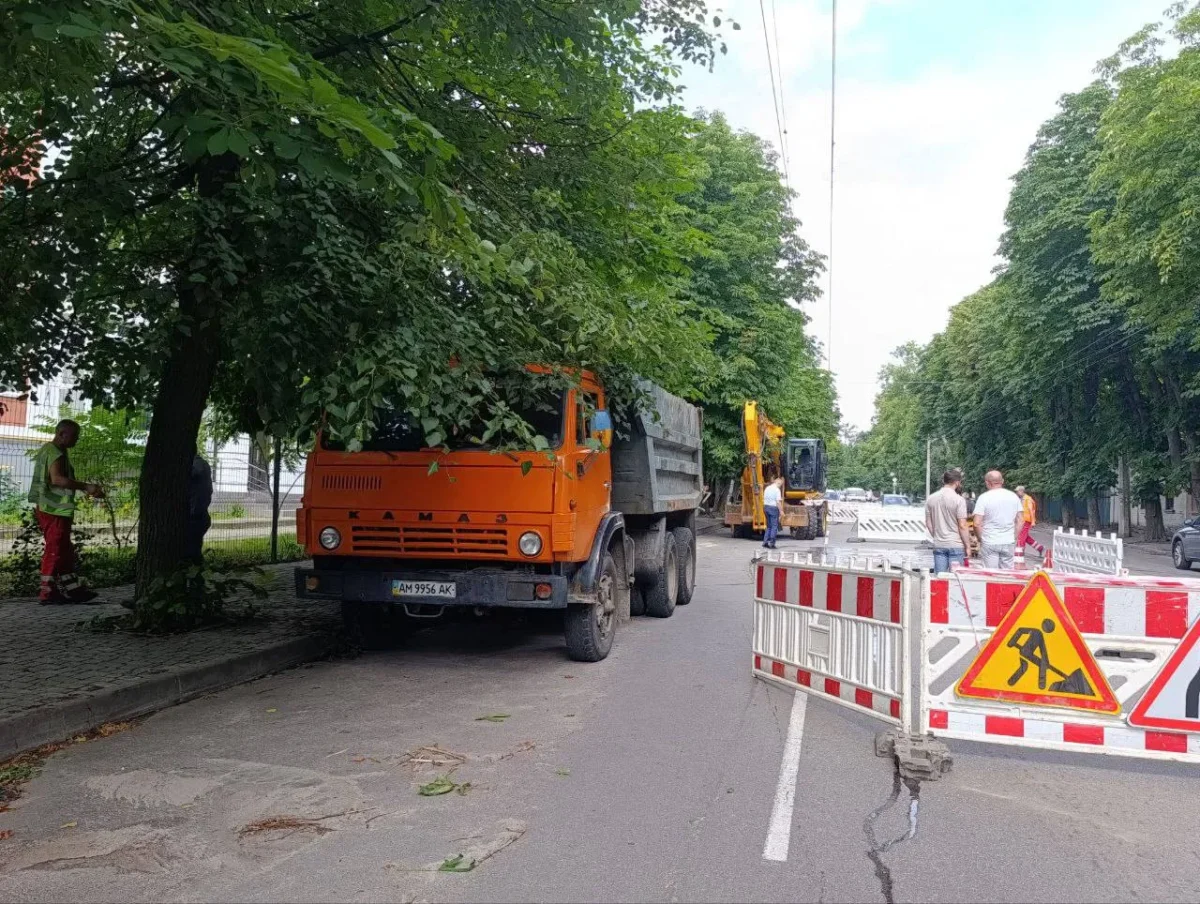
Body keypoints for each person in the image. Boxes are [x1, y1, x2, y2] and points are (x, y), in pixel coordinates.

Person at [27, 419, 104, 604]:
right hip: (54, 509)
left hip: (49, 507)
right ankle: (48, 593)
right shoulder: (56, 453)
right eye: (74, 436)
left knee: (64, 550)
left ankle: (73, 589)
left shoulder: (51, 450)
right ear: (61, 434)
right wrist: (87, 487)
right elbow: (58, 479)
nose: (76, 440)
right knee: (55, 549)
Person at [973, 470, 1024, 569]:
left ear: (987, 482)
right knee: (1006, 576)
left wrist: (980, 539)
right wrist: (1014, 537)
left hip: (989, 541)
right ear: (1002, 481)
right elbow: (1021, 520)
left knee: (991, 575)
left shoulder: (984, 498)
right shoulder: (1014, 497)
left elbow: (976, 523)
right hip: (1008, 541)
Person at [925, 468, 972, 573]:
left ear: (944, 481)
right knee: (955, 580)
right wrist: (968, 546)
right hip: (956, 544)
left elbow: (928, 523)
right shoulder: (959, 500)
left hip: (939, 544)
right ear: (957, 482)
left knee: (939, 578)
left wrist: (937, 536)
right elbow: (962, 525)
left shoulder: (931, 499)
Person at [185, 452, 214, 565]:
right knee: (195, 550)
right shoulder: (203, 463)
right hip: (201, 515)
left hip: (195, 517)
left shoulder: (196, 464)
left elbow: (197, 472)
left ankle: (196, 578)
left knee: (192, 553)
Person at [1014, 485, 1046, 559]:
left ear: (1021, 491)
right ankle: (1040, 548)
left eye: (1017, 491)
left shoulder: (1028, 499)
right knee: (1025, 536)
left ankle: (1019, 551)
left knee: (1021, 536)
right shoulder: (1021, 499)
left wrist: (1033, 521)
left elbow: (1031, 511)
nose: (1016, 493)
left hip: (1026, 521)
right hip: (1022, 520)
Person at [762, 476, 783, 550]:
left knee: (769, 526)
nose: (780, 486)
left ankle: (765, 542)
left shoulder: (767, 488)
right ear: (778, 483)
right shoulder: (777, 490)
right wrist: (781, 511)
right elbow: (778, 502)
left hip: (765, 507)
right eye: (780, 484)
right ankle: (772, 543)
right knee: (774, 526)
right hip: (773, 508)